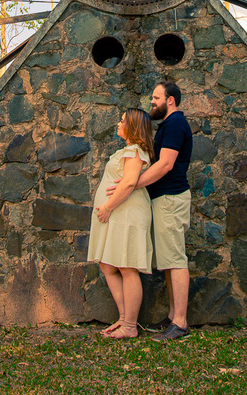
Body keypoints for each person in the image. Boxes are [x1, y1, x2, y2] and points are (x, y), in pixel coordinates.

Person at [109, 81, 193, 341]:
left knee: (175, 259)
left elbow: (166, 165)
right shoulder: (167, 126)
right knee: (168, 260)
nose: (152, 102)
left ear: (171, 100)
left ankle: (180, 322)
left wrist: (133, 184)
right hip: (163, 199)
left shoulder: (176, 123)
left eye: (156, 98)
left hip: (171, 198)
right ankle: (172, 317)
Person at [88, 107, 156, 339]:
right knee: (108, 265)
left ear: (133, 127)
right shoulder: (128, 150)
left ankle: (129, 327)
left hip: (128, 213)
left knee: (127, 267)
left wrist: (107, 207)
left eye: (122, 120)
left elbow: (128, 184)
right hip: (121, 213)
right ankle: (125, 318)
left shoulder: (136, 151)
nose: (118, 123)